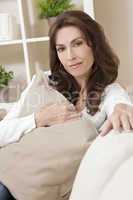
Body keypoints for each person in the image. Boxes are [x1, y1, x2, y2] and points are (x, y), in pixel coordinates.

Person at [0, 10, 133, 199]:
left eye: (77, 44)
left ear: (94, 45)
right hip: (6, 177)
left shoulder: (110, 93)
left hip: (40, 189)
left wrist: (123, 107)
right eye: (61, 49)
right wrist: (38, 119)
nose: (70, 56)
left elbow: (120, 104)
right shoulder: (43, 84)